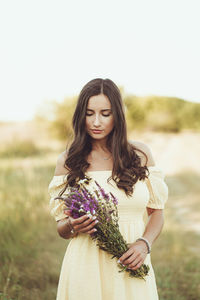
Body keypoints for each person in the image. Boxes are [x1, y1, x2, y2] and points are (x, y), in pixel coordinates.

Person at [48, 78, 168, 300]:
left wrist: (145, 244)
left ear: (117, 116)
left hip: (132, 262)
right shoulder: (68, 161)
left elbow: (157, 213)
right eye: (89, 113)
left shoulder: (140, 155)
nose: (96, 121)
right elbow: (61, 229)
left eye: (105, 113)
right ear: (80, 115)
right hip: (86, 267)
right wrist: (72, 225)